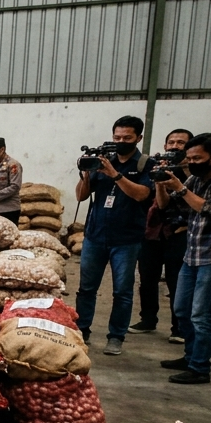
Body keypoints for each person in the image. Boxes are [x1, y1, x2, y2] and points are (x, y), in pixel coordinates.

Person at [74, 115, 156, 355]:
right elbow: (80, 196)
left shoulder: (145, 165)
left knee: (122, 290)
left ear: (138, 138)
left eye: (126, 138)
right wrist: (87, 173)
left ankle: (116, 336)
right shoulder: (102, 161)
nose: (120, 141)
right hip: (95, 236)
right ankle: (82, 330)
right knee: (86, 288)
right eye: (117, 137)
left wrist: (115, 175)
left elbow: (142, 195)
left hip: (126, 239)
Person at [157, 133, 211, 384]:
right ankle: (190, 355)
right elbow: (167, 206)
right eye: (189, 158)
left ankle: (200, 367)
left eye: (197, 158)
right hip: (192, 254)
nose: (191, 162)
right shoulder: (195, 177)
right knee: (182, 309)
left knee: (202, 314)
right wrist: (161, 184)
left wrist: (180, 188)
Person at [133, 128, 194, 340]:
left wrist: (183, 173)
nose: (175, 146)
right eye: (171, 142)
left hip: (181, 233)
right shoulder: (160, 167)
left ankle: (179, 328)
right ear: (165, 145)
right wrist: (160, 183)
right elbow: (160, 204)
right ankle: (148, 319)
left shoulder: (196, 172)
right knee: (147, 278)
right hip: (153, 231)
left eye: (181, 143)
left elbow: (195, 201)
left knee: (177, 281)